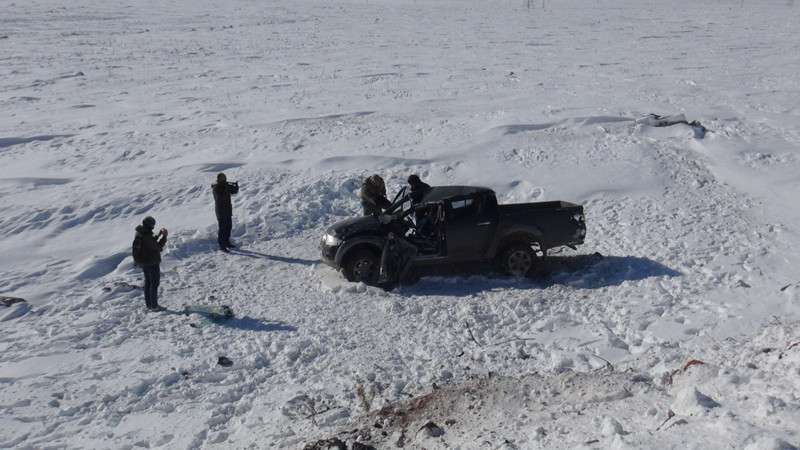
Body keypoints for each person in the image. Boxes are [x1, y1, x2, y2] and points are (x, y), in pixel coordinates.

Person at [132, 216, 168, 312]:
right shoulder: (147, 235)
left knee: (148, 282)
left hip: (144, 261)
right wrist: (164, 237)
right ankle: (154, 306)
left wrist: (158, 235)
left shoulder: (140, 232)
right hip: (151, 261)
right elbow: (157, 247)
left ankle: (149, 304)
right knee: (154, 283)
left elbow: (149, 243)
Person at [212, 172, 239, 252]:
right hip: (221, 211)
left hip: (227, 210)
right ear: (219, 178)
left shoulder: (225, 185)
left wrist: (235, 187)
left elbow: (234, 192)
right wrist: (226, 189)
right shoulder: (216, 187)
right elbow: (219, 198)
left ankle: (227, 242)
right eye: (223, 178)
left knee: (228, 227)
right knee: (222, 229)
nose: (225, 179)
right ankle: (222, 245)